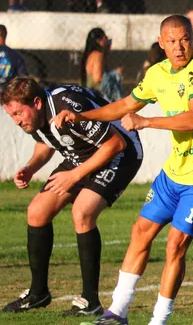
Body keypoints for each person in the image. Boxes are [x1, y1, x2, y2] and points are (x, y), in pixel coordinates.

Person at [55, 15, 193, 325]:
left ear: (192, 39)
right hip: (176, 170)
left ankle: (158, 320)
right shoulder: (157, 74)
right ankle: (116, 313)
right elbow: (125, 105)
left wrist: (146, 122)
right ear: (161, 43)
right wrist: (82, 116)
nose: (180, 47)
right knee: (140, 233)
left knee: (174, 245)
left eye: (185, 39)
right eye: (173, 41)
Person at [1, 78, 142, 317]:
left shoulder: (67, 105)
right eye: (11, 115)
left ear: (36, 103)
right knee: (37, 212)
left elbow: (115, 143)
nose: (16, 121)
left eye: (18, 113)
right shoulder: (35, 115)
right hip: (80, 155)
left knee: (82, 212)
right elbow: (46, 143)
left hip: (119, 153)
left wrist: (74, 175)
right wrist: (31, 168)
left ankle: (90, 300)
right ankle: (38, 293)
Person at [81, 28, 124, 101]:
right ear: (99, 41)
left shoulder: (91, 55)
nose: (108, 41)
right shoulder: (98, 55)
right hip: (96, 94)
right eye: (106, 38)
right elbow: (98, 78)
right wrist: (116, 73)